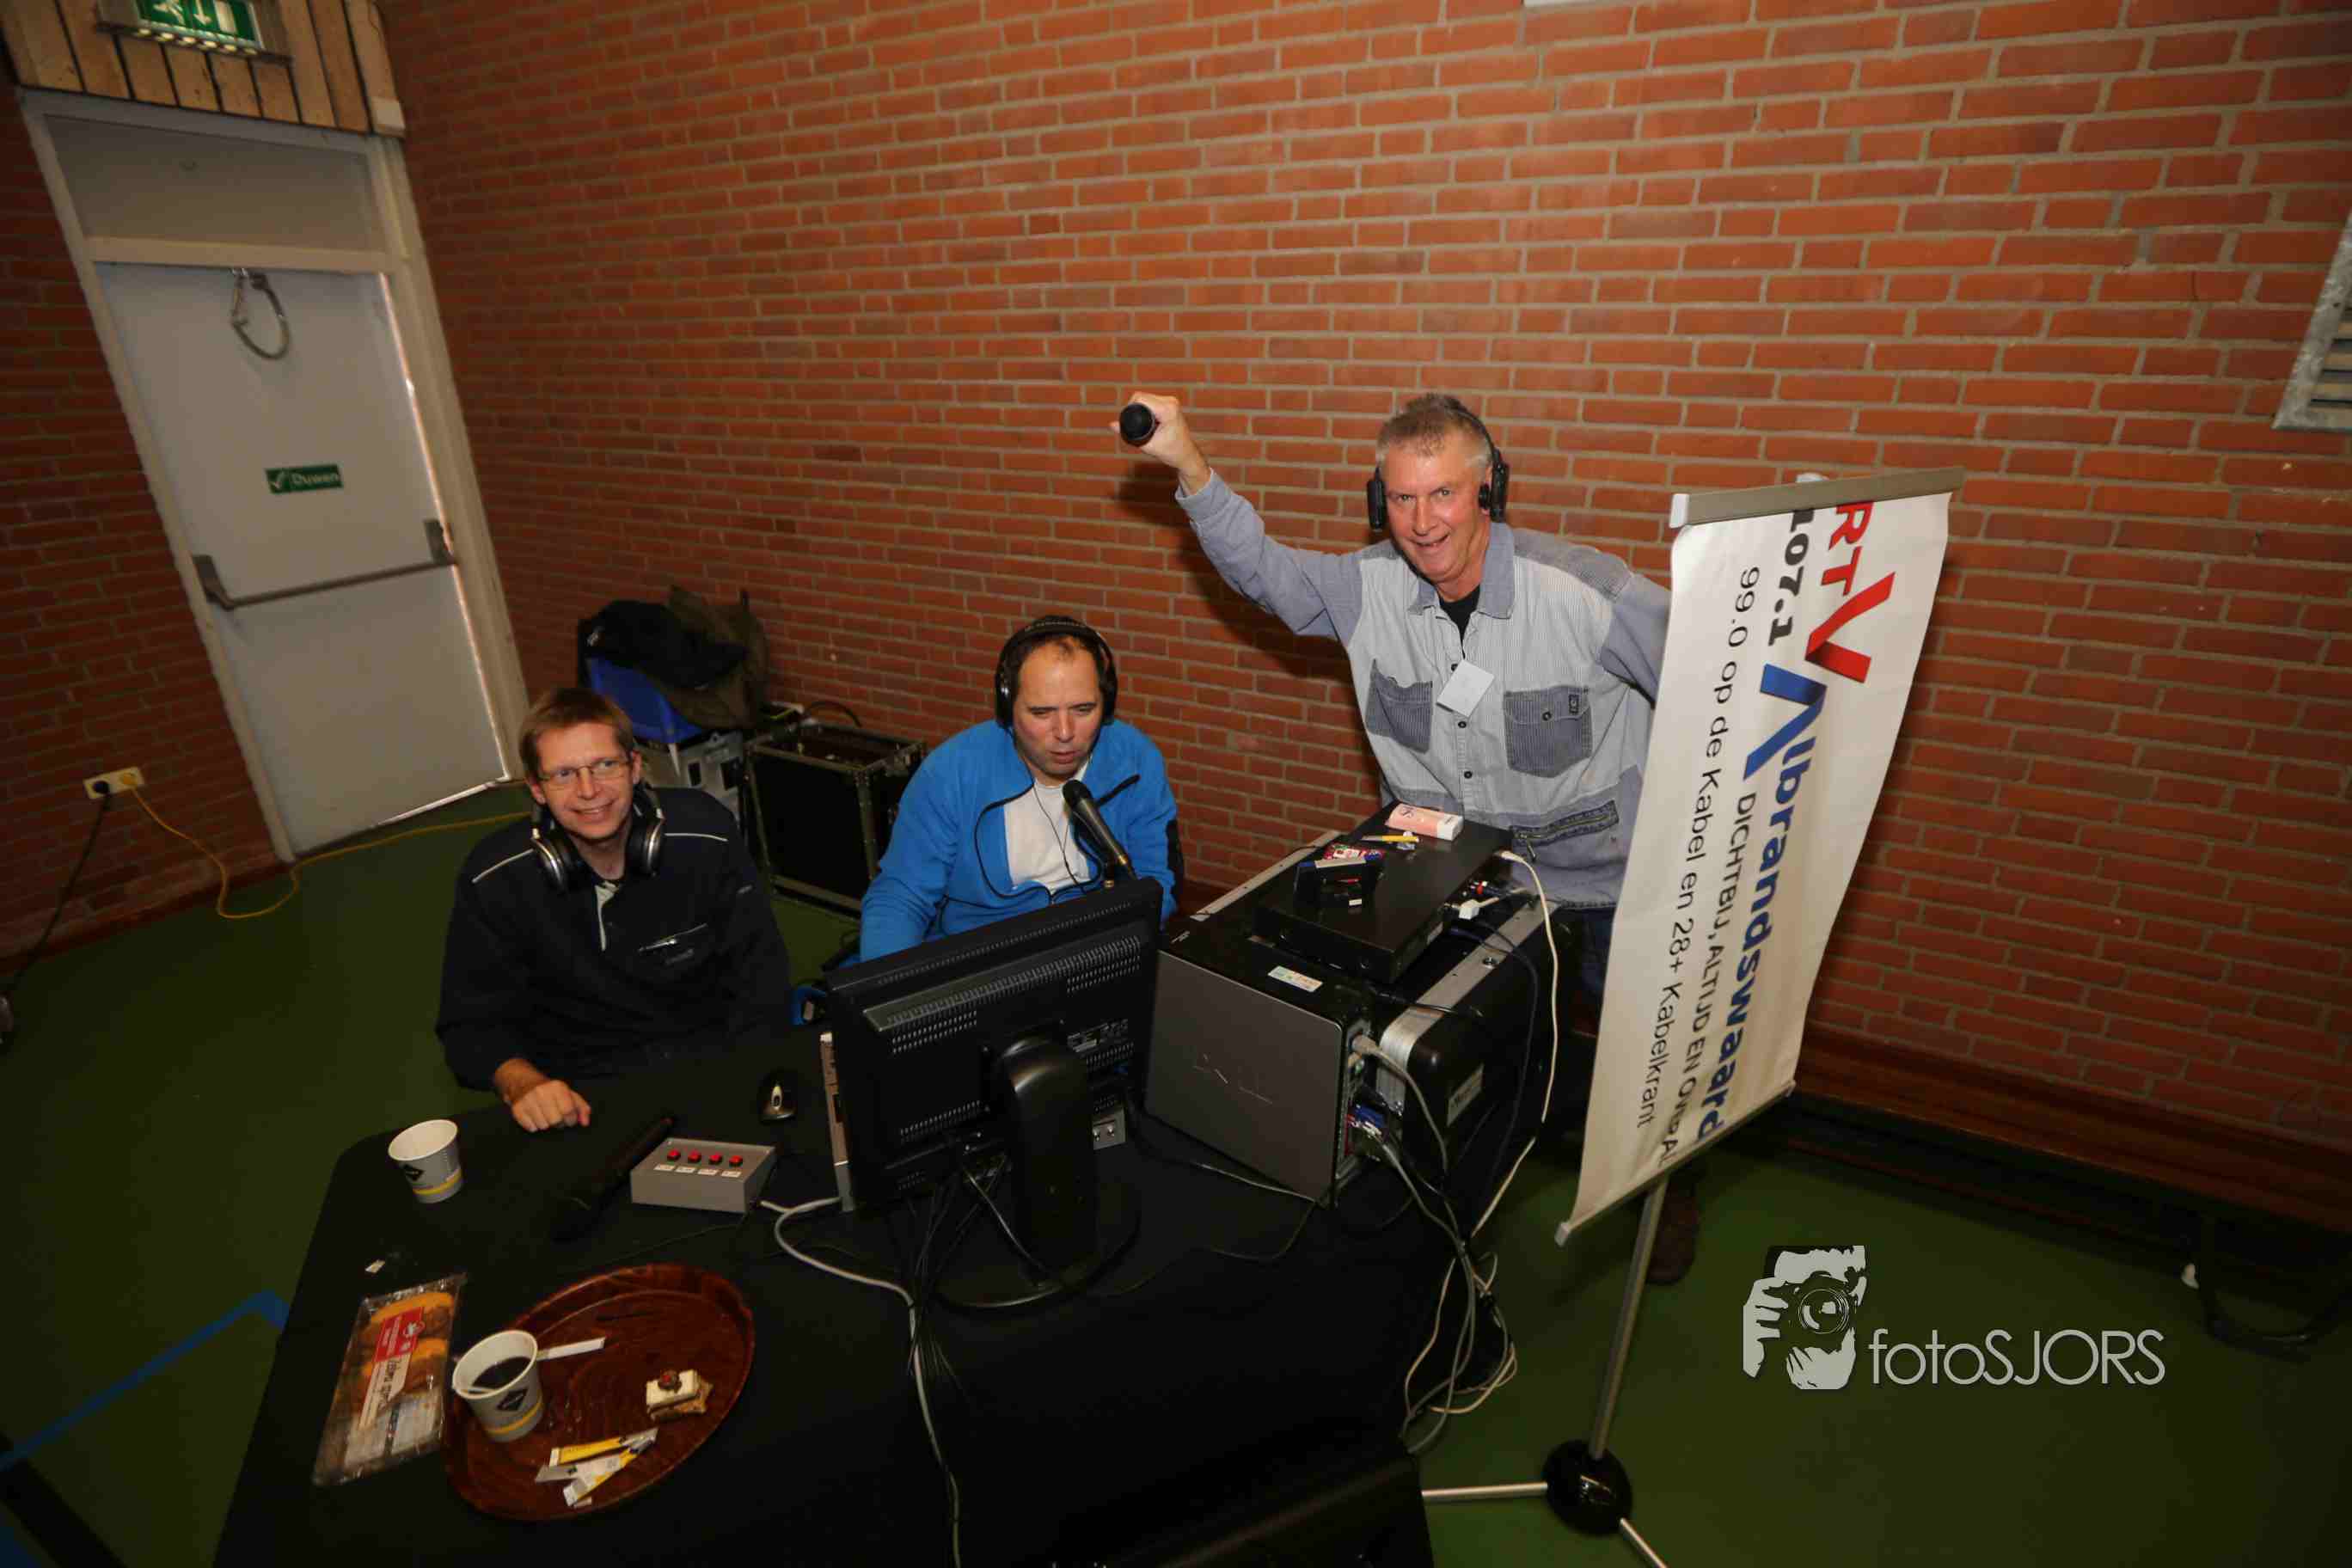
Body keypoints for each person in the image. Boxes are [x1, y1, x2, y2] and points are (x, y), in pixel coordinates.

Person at [1122, 391, 1700, 1281]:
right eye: (1401, 498)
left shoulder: (1588, 593)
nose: (1423, 522)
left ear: (1488, 489)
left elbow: (1715, 676)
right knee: (1475, 1061)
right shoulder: (1366, 591)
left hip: (1605, 883)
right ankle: (1460, 1215)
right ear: (1377, 501)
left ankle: (1664, 1189)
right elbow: (1262, 573)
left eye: (1443, 494)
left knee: (1642, 1059)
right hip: (1468, 883)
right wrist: (1189, 464)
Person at [438, 688, 794, 1132]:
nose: (589, 791)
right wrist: (525, 1084)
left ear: (635, 767)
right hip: (580, 1094)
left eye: (605, 765)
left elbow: (762, 980)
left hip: (712, 1064)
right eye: (564, 774)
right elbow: (469, 1027)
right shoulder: (493, 879)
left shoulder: (708, 836)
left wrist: (746, 1081)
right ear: (537, 789)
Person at [856, 616, 1179, 962]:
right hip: (981, 959)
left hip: (1094, 949)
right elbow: (901, 897)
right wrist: (893, 983)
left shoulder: (1135, 760)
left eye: (1084, 709)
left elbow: (1155, 882)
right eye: (1041, 713)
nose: (1065, 732)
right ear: (1007, 707)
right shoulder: (950, 773)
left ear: (1107, 702)